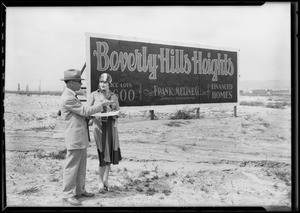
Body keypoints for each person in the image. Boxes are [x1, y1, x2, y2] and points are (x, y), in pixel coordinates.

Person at [60, 69, 114, 206]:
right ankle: (68, 194)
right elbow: (84, 111)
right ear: (71, 83)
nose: (80, 84)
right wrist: (102, 105)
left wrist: (89, 119)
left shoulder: (72, 95)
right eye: (78, 82)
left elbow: (80, 115)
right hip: (75, 137)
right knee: (72, 166)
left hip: (80, 136)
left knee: (81, 166)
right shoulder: (68, 97)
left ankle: (80, 190)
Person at [88, 73, 122, 193]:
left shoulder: (114, 96)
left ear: (109, 84)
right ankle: (99, 181)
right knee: (102, 155)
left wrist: (116, 114)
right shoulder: (93, 95)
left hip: (111, 128)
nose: (103, 84)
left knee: (110, 155)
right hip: (99, 128)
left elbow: (118, 111)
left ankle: (106, 180)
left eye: (105, 83)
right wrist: (91, 118)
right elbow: (88, 111)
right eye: (101, 82)